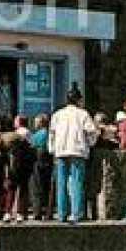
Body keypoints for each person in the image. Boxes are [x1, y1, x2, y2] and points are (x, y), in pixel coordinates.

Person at [48, 87, 98, 222]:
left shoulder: (57, 114)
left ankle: (61, 213)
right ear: (79, 100)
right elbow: (91, 132)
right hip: (77, 150)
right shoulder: (83, 114)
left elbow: (52, 134)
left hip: (61, 150)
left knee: (61, 183)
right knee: (77, 182)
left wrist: (52, 149)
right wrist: (91, 143)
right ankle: (76, 213)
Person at [3, 121, 36, 221]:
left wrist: (8, 174)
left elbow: (10, 161)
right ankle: (20, 213)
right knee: (22, 189)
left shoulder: (11, 144)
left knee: (12, 189)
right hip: (24, 167)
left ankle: (9, 212)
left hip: (18, 167)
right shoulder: (25, 144)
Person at [28, 113, 54, 220]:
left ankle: (37, 211)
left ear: (40, 123)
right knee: (48, 188)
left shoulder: (36, 135)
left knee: (36, 187)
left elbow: (30, 145)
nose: (34, 124)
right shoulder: (50, 134)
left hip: (37, 162)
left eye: (36, 122)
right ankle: (49, 212)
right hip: (49, 162)